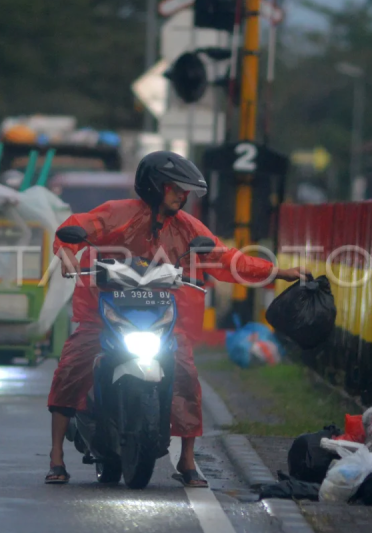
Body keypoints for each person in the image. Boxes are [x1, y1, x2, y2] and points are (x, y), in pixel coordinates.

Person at [45, 151, 310, 486]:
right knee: (73, 366)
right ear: (156, 186)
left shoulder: (187, 228)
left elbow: (225, 259)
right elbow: (72, 230)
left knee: (185, 374)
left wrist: (278, 272)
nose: (182, 196)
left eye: (185, 191)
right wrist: (68, 255)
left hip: (157, 316)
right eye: (175, 188)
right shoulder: (118, 214)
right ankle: (56, 457)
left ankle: (186, 461)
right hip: (104, 312)